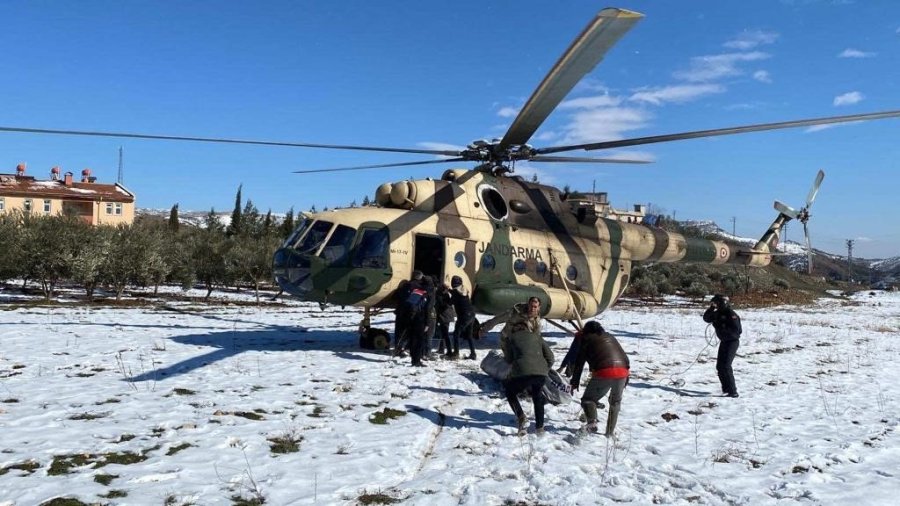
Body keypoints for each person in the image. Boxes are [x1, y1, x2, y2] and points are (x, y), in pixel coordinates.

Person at [569, 320, 630, 437]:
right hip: (623, 371)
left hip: (604, 371)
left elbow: (579, 363)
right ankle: (609, 433)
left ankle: (592, 422)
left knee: (588, 399)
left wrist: (574, 382)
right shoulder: (610, 337)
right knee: (615, 402)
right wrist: (627, 376)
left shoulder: (586, 340)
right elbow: (625, 357)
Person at [501, 326, 555, 435]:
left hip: (522, 373)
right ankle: (540, 427)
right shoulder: (537, 336)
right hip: (540, 374)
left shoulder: (510, 339)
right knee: (537, 395)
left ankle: (521, 417)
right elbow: (551, 357)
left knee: (510, 392)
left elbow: (509, 359)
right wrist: (544, 369)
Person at [703, 294, 742, 398]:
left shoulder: (731, 314)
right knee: (720, 366)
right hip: (724, 342)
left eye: (716, 303)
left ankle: (733, 391)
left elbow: (737, 331)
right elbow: (706, 318)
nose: (716, 305)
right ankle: (726, 389)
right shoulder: (718, 313)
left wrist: (723, 328)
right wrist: (711, 308)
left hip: (732, 342)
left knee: (726, 366)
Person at [399, 270, 429, 367]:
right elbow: (425, 306)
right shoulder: (421, 288)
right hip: (418, 316)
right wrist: (427, 322)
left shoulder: (406, 286)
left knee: (411, 338)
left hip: (407, 315)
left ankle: (413, 358)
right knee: (419, 339)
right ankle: (417, 360)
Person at [448, 275, 477, 360]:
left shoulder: (456, 293)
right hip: (471, 315)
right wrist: (449, 291)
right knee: (469, 335)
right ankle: (473, 353)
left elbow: (450, 302)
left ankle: (456, 353)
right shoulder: (464, 289)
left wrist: (446, 292)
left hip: (463, 316)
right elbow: (456, 293)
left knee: (456, 334)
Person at [434, 281, 455, 355]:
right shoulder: (445, 294)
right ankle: (441, 349)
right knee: (443, 333)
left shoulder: (440, 295)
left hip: (444, 316)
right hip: (446, 316)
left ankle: (448, 350)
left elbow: (442, 305)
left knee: (445, 334)